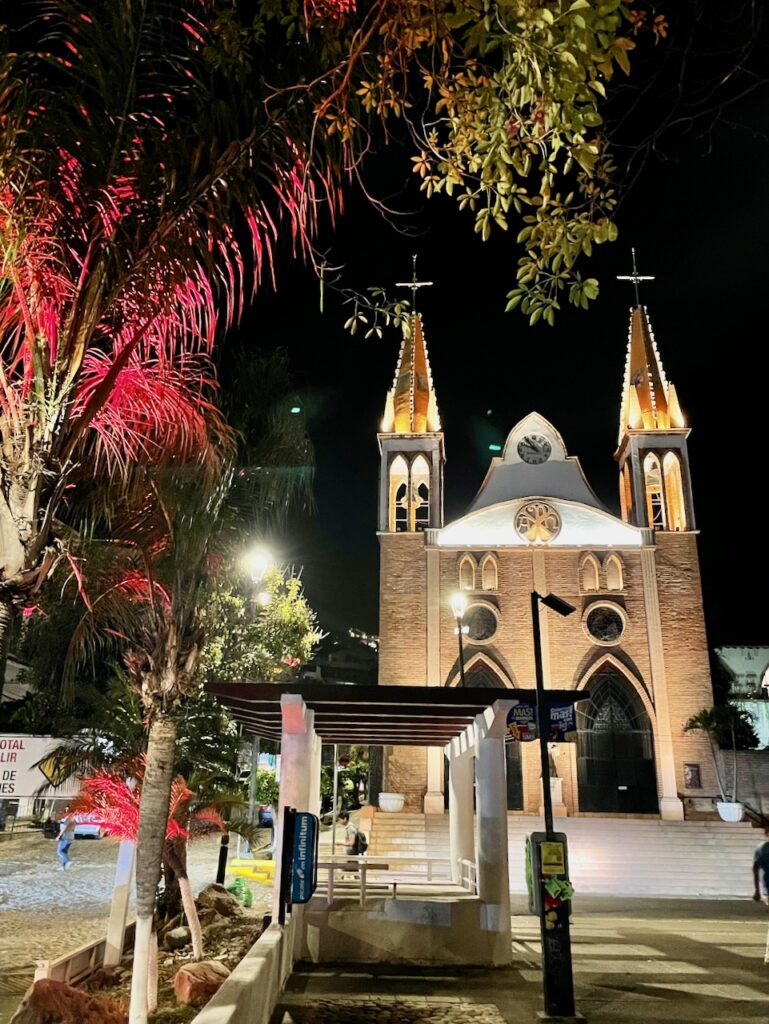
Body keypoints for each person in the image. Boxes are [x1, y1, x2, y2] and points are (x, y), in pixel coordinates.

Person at [752, 825, 769, 965]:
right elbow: (755, 869)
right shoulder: (762, 849)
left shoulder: (761, 849)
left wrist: (757, 890)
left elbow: (755, 870)